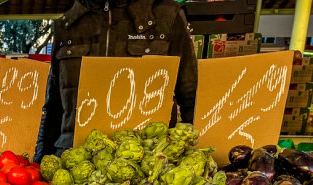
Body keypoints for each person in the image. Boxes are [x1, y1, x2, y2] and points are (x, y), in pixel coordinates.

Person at [37, 0, 198, 158]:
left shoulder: (167, 16)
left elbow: (192, 97)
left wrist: (196, 162)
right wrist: (37, 165)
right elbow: (54, 107)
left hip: (146, 166)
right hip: (72, 161)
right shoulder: (66, 22)